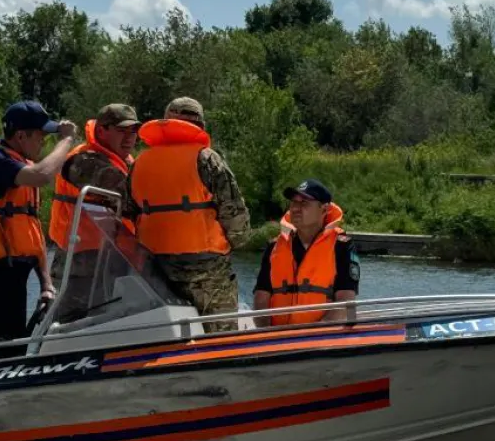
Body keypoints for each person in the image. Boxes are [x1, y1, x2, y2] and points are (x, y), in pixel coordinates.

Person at [0, 99, 77, 354]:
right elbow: (42, 176)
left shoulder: (17, 164)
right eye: (41, 136)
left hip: (13, 278)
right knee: (0, 356)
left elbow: (30, 233)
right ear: (21, 135)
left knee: (12, 352)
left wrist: (46, 283)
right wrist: (66, 141)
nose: (43, 142)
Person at [122, 96, 250, 332]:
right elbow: (234, 213)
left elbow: (128, 213)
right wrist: (237, 242)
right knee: (221, 337)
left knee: (168, 333)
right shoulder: (206, 158)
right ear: (200, 125)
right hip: (208, 267)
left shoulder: (139, 163)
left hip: (157, 267)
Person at [46, 103, 141, 320]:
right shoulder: (84, 160)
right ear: (101, 130)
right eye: (121, 131)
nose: (129, 138)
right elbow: (127, 192)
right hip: (80, 262)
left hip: (114, 260)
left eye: (133, 132)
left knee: (110, 321)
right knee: (68, 323)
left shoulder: (127, 163)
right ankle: (41, 351)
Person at [253, 179, 359, 327]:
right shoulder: (274, 247)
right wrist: (268, 334)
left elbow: (346, 302)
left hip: (324, 339)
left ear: (324, 209)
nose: (296, 208)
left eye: (304, 203)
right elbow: (261, 298)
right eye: (294, 203)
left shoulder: (342, 246)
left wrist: (312, 337)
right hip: (277, 339)